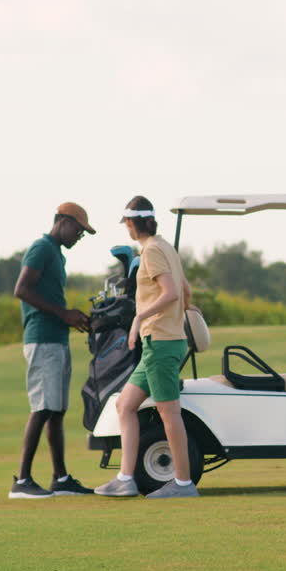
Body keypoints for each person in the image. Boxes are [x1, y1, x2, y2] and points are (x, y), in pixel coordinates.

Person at [95, 195, 198, 498]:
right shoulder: (166, 247)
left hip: (162, 343)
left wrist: (139, 317)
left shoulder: (152, 251)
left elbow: (170, 293)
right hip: (161, 342)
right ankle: (126, 478)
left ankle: (182, 483)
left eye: (125, 223)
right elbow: (186, 290)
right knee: (125, 405)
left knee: (169, 414)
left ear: (131, 222)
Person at [8, 202, 96, 499]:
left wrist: (71, 318)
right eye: (78, 230)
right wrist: (63, 314)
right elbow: (22, 289)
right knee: (43, 407)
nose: (79, 237)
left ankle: (60, 478)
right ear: (62, 221)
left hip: (56, 337)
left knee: (56, 409)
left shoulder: (56, 254)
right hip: (43, 337)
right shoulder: (42, 248)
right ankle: (22, 481)